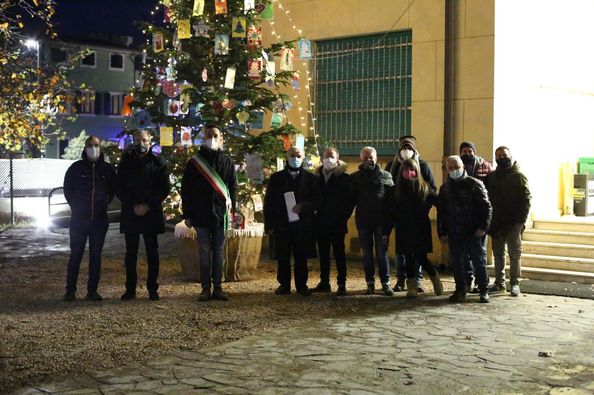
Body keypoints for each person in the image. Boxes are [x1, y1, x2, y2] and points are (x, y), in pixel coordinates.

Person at [181, 125, 237, 302]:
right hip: (201, 214)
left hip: (221, 215)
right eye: (209, 135)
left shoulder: (227, 161)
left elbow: (233, 187)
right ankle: (205, 288)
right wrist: (188, 214)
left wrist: (232, 210)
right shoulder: (194, 162)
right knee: (204, 251)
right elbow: (186, 190)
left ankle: (218, 288)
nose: (212, 138)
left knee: (219, 252)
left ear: (221, 138)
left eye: (215, 135)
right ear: (204, 138)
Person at [116, 130, 170, 301]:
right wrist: (133, 205)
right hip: (131, 212)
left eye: (144, 140)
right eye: (138, 140)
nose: (141, 143)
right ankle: (130, 289)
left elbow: (164, 188)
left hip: (151, 212)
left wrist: (147, 205)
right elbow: (119, 187)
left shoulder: (158, 162)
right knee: (130, 254)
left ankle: (152, 289)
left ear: (150, 141)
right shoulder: (126, 163)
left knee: (152, 253)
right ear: (133, 141)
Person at [63, 136, 115, 302]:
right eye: (90, 145)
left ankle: (92, 291)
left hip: (99, 221)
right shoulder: (75, 168)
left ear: (101, 147)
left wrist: (103, 204)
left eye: (96, 145)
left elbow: (112, 191)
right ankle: (70, 291)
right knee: (75, 255)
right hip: (79, 220)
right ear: (85, 148)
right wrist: (77, 207)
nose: (93, 148)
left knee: (96, 256)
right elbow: (68, 190)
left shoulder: (107, 169)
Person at [264, 146, 322, 296]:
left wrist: (303, 206)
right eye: (292, 155)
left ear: (302, 158)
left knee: (301, 256)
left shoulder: (311, 179)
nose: (295, 159)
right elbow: (269, 202)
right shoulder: (276, 178)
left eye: (298, 156)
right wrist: (269, 224)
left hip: (303, 225)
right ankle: (284, 285)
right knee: (283, 255)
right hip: (282, 224)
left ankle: (301, 285)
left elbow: (317, 201)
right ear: (286, 157)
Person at [437, 155, 492, 303]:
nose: (454, 170)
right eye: (451, 168)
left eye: (457, 167)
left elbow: (486, 208)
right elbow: (441, 212)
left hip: (473, 231)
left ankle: (484, 290)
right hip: (455, 232)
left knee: (479, 262)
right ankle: (460, 290)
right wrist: (442, 232)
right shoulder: (445, 188)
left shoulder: (475, 184)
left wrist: (483, 227)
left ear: (463, 167)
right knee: (457, 262)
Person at [385, 136, 437, 292]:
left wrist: (424, 207)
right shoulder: (392, 166)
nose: (406, 151)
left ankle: (419, 281)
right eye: (403, 148)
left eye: (409, 148)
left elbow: (432, 189)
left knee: (419, 254)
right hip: (401, 218)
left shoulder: (423, 165)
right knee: (404, 254)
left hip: (419, 219)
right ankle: (404, 281)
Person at [485, 146, 531, 296]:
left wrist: (520, 222)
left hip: (513, 223)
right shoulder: (492, 177)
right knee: (498, 254)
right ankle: (499, 282)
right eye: (498, 155)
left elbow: (526, 200)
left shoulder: (518, 176)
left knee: (514, 254)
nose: (501, 157)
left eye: (504, 155)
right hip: (497, 223)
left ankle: (515, 282)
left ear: (510, 156)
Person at [351, 146, 394, 296]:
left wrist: (390, 223)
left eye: (371, 157)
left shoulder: (386, 176)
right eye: (366, 158)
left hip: (381, 222)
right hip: (363, 221)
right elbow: (350, 200)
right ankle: (370, 283)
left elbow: (391, 200)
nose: (369, 160)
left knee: (382, 253)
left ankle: (386, 283)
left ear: (376, 158)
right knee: (367, 254)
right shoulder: (354, 178)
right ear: (361, 159)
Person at [312, 147, 355, 296]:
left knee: (339, 254)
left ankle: (341, 283)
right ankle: (324, 282)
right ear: (322, 158)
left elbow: (350, 201)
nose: (329, 159)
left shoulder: (344, 178)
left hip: (337, 222)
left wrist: (343, 216)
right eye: (326, 156)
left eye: (332, 156)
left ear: (337, 159)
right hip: (320, 222)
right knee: (323, 254)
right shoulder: (316, 177)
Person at [459, 141, 494, 293]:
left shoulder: (485, 167)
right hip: (462, 219)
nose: (467, 153)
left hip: (480, 218)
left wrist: (485, 221)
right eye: (464, 151)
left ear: (474, 151)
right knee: (465, 254)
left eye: (469, 150)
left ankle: (482, 283)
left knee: (480, 253)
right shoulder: (457, 167)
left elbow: (491, 193)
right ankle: (468, 281)